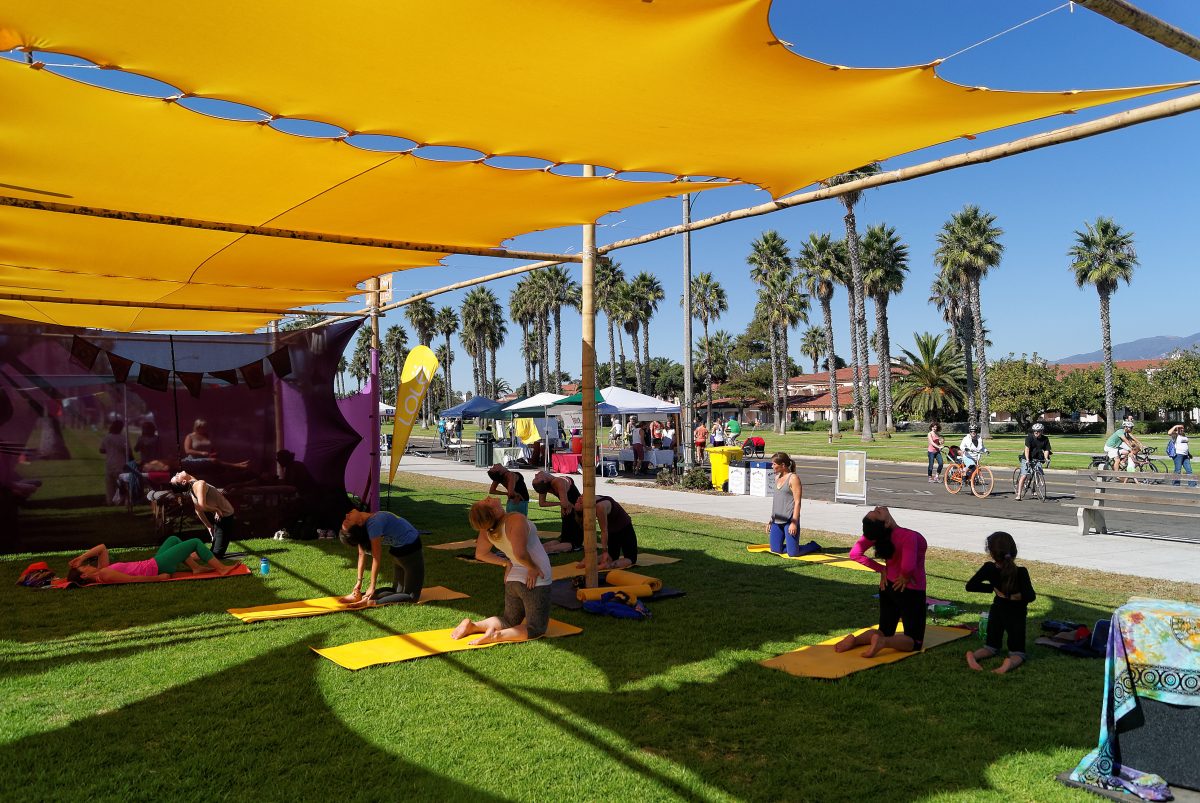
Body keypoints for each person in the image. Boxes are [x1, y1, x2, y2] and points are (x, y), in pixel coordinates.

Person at [453, 497, 551, 645]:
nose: (488, 497)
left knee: (508, 620)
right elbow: (520, 553)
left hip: (513, 579)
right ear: (493, 511)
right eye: (486, 501)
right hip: (535, 579)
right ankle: (495, 636)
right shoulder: (516, 519)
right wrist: (532, 567)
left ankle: (473, 626)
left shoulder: (487, 529)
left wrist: (506, 564)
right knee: (536, 628)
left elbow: (480, 554)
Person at [836, 506, 928, 657]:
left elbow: (854, 554)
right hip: (909, 590)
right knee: (914, 641)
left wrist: (881, 569)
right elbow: (908, 566)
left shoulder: (877, 534)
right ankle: (883, 642)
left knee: (884, 630)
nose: (878, 508)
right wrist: (905, 575)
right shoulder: (908, 536)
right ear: (885, 523)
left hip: (887, 587)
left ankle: (856, 640)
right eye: (878, 512)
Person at [965, 531, 1036, 674]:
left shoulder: (988, 568)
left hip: (997, 610)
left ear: (991, 553)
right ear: (1013, 550)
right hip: (1016, 614)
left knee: (990, 647)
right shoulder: (1021, 572)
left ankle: (973, 655)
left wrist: (993, 588)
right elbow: (1030, 596)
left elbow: (970, 586)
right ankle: (1009, 663)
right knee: (1018, 653)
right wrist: (1013, 596)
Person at [65, 537, 239, 585]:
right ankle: (221, 568)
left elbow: (102, 547)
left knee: (173, 539)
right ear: (84, 576)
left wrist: (82, 557)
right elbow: (133, 580)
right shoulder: (103, 574)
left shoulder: (101, 569)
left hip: (153, 562)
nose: (86, 565)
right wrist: (159, 578)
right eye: (83, 567)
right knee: (194, 542)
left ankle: (196, 568)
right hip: (158, 568)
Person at [338, 510, 425, 605]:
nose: (347, 514)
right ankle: (371, 602)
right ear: (359, 522)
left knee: (396, 591)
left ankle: (360, 596)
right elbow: (376, 557)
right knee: (412, 597)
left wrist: (361, 583)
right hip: (411, 552)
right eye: (348, 520)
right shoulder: (374, 524)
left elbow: (362, 554)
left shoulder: (367, 526)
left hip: (399, 553)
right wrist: (371, 585)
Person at [170, 471, 239, 558]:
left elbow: (198, 510)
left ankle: (184, 555)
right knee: (216, 554)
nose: (177, 473)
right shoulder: (199, 484)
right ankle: (184, 556)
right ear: (183, 482)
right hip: (224, 517)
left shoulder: (193, 487)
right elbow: (201, 506)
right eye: (176, 476)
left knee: (214, 551)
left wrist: (209, 526)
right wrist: (216, 509)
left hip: (220, 518)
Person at [573, 494, 637, 569]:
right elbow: (604, 530)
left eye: (578, 500)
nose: (580, 498)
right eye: (580, 503)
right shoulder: (599, 506)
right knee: (631, 558)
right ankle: (607, 565)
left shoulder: (588, 494)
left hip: (616, 529)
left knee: (612, 555)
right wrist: (604, 551)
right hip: (623, 528)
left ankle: (587, 561)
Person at [531, 470, 582, 554]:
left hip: (568, 511)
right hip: (574, 512)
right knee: (574, 543)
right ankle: (545, 551)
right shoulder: (558, 481)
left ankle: (536, 550)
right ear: (545, 480)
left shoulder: (545, 485)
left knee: (564, 540)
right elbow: (565, 504)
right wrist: (561, 503)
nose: (536, 474)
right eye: (537, 478)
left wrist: (561, 504)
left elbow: (542, 503)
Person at [766, 452, 803, 556]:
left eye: (774, 464)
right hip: (776, 520)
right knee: (775, 550)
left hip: (789, 520)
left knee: (793, 554)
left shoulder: (793, 478)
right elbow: (777, 501)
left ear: (783, 465)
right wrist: (771, 520)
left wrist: (794, 523)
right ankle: (793, 547)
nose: (772, 466)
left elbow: (797, 502)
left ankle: (813, 546)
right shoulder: (777, 477)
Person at [182, 418, 249, 470]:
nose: (204, 428)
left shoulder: (206, 436)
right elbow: (187, 450)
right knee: (214, 461)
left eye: (205, 427)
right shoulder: (190, 436)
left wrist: (214, 453)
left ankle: (238, 464)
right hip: (194, 459)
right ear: (197, 427)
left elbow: (211, 448)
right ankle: (237, 466)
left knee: (216, 459)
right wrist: (201, 453)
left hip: (207, 457)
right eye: (203, 427)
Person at [1015, 422, 1052, 501]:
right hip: (1026, 458)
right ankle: (1019, 495)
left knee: (1038, 474)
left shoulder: (1045, 439)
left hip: (1037, 458)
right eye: (1034, 431)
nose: (1036, 432)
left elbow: (1046, 449)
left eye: (1038, 431)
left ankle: (1033, 489)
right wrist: (1027, 460)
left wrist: (1046, 458)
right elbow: (1027, 449)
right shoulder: (1029, 438)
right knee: (1024, 476)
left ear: (1042, 431)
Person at [99, 419, 129, 506]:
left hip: (110, 463)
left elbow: (101, 450)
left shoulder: (107, 437)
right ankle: (121, 500)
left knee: (110, 484)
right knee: (122, 483)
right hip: (121, 463)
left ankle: (110, 501)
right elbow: (128, 451)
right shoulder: (123, 438)